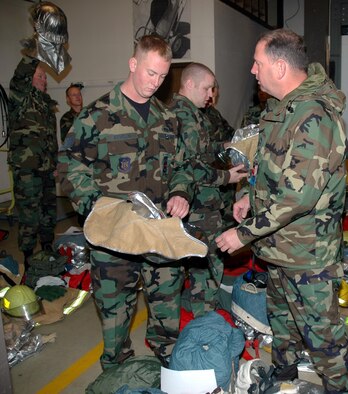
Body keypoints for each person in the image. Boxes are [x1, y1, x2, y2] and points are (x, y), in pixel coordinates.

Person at [216, 29, 348, 393]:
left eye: (257, 63)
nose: (253, 70)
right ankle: (286, 375)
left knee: (324, 338)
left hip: (308, 254)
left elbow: (298, 197)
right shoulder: (282, 109)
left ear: (279, 66)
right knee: (284, 323)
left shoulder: (314, 116)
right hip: (279, 247)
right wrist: (248, 198)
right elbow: (271, 172)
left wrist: (242, 234)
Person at [57, 35, 192, 370]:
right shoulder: (97, 116)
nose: (155, 82)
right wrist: (96, 208)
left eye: (162, 76)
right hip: (114, 236)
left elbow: (181, 167)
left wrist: (180, 192)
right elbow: (68, 165)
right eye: (150, 73)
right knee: (115, 312)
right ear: (133, 64)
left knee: (166, 304)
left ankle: (168, 362)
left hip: (157, 230)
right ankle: (115, 371)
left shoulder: (167, 118)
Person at [168, 62, 248, 318]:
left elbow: (202, 150)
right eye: (207, 89)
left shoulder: (191, 113)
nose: (210, 95)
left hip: (201, 201)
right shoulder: (183, 114)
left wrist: (226, 146)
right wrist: (226, 176)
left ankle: (204, 308)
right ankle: (205, 316)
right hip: (198, 203)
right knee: (206, 258)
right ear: (189, 84)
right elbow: (189, 165)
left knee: (201, 257)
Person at [8, 56, 58, 274]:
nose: (44, 79)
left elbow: (51, 139)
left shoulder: (46, 105)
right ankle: (28, 257)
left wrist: (55, 163)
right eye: (40, 75)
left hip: (47, 168)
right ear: (29, 78)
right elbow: (21, 72)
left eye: (45, 76)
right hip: (27, 169)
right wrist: (36, 50)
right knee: (29, 215)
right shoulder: (21, 98)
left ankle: (47, 248)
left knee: (49, 211)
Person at [201, 79, 237, 230]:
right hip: (206, 178)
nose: (211, 98)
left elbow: (231, 134)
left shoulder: (214, 113)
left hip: (224, 174)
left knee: (227, 219)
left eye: (214, 94)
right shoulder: (193, 115)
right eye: (209, 93)